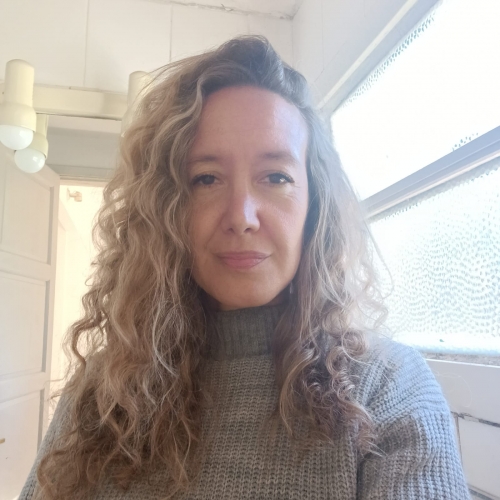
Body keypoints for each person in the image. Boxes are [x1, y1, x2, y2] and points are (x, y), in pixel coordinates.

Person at [20, 36, 470, 500]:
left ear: (315, 205)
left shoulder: (388, 387)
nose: (241, 216)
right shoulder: (103, 392)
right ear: (167, 208)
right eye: (206, 179)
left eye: (276, 177)